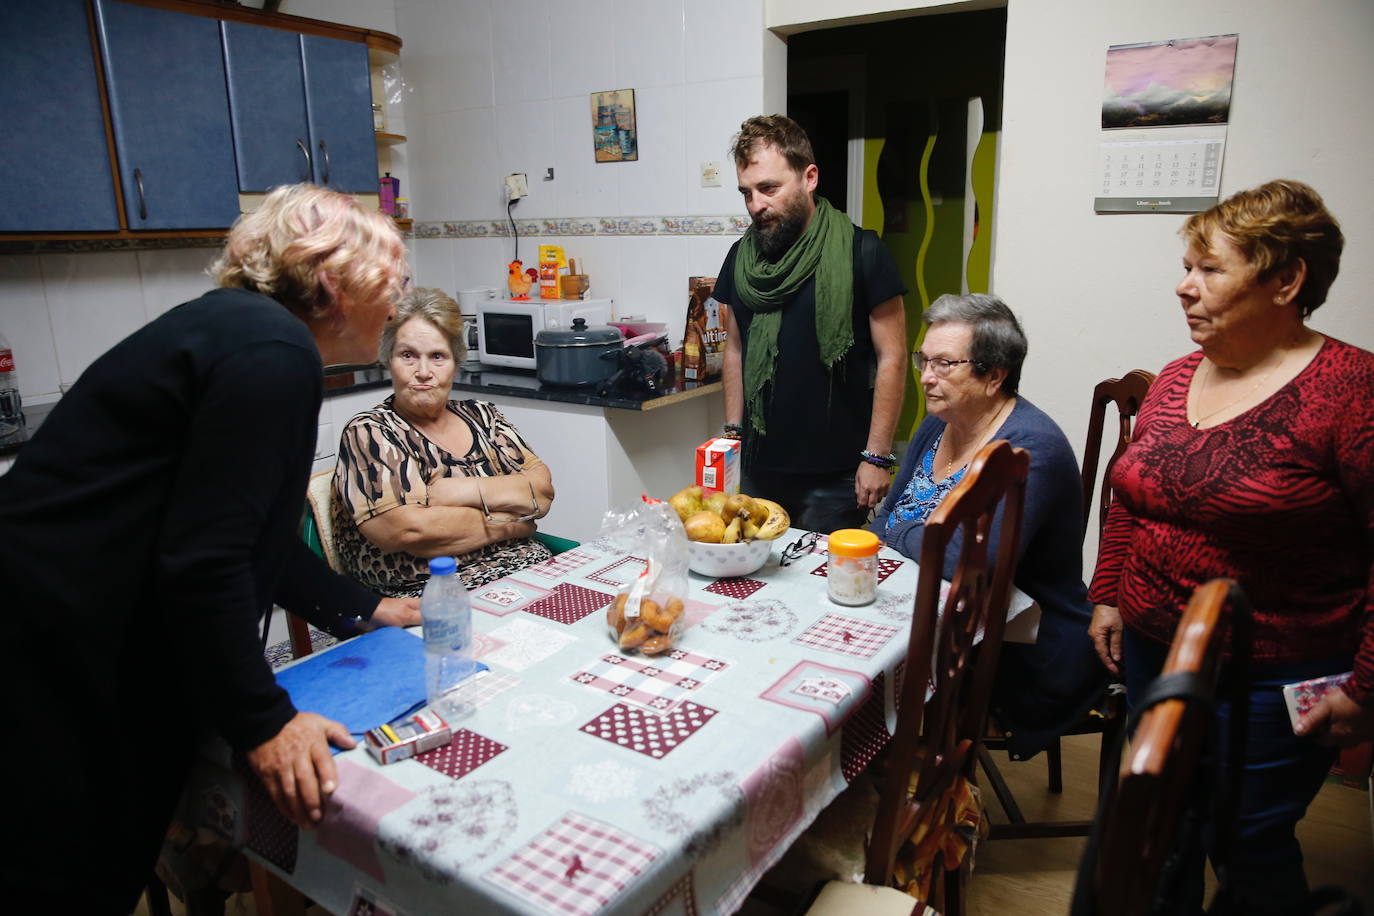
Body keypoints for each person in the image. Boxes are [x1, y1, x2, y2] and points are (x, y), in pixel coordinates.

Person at [0, 184, 422, 912]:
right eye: (392, 285)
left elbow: (249, 534)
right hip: (50, 655)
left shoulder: (245, 333)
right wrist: (265, 722)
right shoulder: (274, 352)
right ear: (333, 284)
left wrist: (366, 606)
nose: (396, 306)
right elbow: (206, 562)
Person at [1087, 179, 1374, 913]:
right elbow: (1130, 494)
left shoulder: (1352, 391)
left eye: (1210, 269)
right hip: (1158, 654)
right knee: (1159, 828)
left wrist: (1366, 688)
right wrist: (1111, 593)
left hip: (1277, 674)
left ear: (1286, 279)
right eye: (1188, 267)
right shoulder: (1177, 376)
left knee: (1245, 839)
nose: (1184, 287)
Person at [872, 293, 1104, 756]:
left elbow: (970, 561)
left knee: (874, 674)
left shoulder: (1029, 449)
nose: (925, 378)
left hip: (1021, 644)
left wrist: (903, 530)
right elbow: (887, 523)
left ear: (995, 375)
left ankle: (902, 791)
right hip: (940, 612)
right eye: (924, 360)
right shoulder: (939, 423)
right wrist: (906, 530)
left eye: (944, 364)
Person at [713, 114, 908, 533]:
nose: (756, 205)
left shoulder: (863, 252)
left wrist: (877, 457)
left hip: (836, 476)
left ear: (810, 177)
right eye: (746, 193)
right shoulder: (740, 260)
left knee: (826, 592)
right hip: (757, 468)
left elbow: (892, 356)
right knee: (749, 588)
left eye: (769, 188)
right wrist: (731, 436)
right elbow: (735, 347)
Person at [333, 287, 556, 596]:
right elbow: (410, 530)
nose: (423, 372)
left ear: (456, 362)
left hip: (524, 571)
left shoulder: (482, 416)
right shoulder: (371, 431)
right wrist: (514, 525)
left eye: (437, 356)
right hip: (427, 596)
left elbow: (542, 491)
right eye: (408, 355)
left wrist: (456, 491)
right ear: (388, 360)